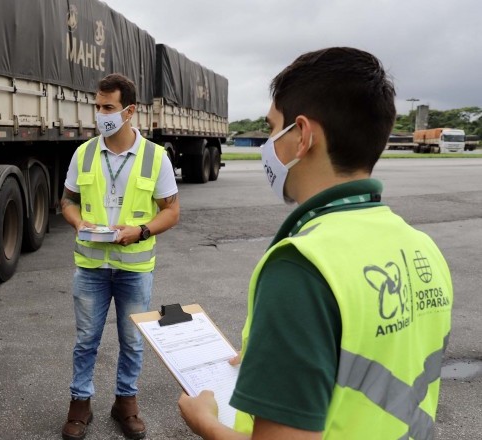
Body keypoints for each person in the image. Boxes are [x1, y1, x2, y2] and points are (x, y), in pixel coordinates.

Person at [178, 47, 453, 439]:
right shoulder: (422, 246)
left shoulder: (302, 266)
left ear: (302, 136)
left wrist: (203, 420)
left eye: (274, 129)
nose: (269, 145)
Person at [60, 73, 180, 440]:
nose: (100, 114)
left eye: (108, 107)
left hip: (134, 269)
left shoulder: (154, 157)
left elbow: (171, 210)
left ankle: (125, 403)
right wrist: (79, 222)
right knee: (86, 340)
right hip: (92, 266)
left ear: (129, 111)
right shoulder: (83, 153)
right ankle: (80, 403)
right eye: (97, 107)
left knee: (132, 339)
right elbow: (67, 202)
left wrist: (140, 231)